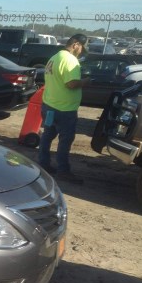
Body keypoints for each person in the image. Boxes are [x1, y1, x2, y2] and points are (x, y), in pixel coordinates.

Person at [38, 33, 91, 183]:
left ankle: (43, 163)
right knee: (65, 140)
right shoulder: (70, 60)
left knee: (47, 135)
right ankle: (63, 170)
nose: (81, 52)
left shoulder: (54, 58)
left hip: (49, 106)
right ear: (75, 45)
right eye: (81, 48)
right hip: (64, 109)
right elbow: (71, 83)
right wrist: (86, 81)